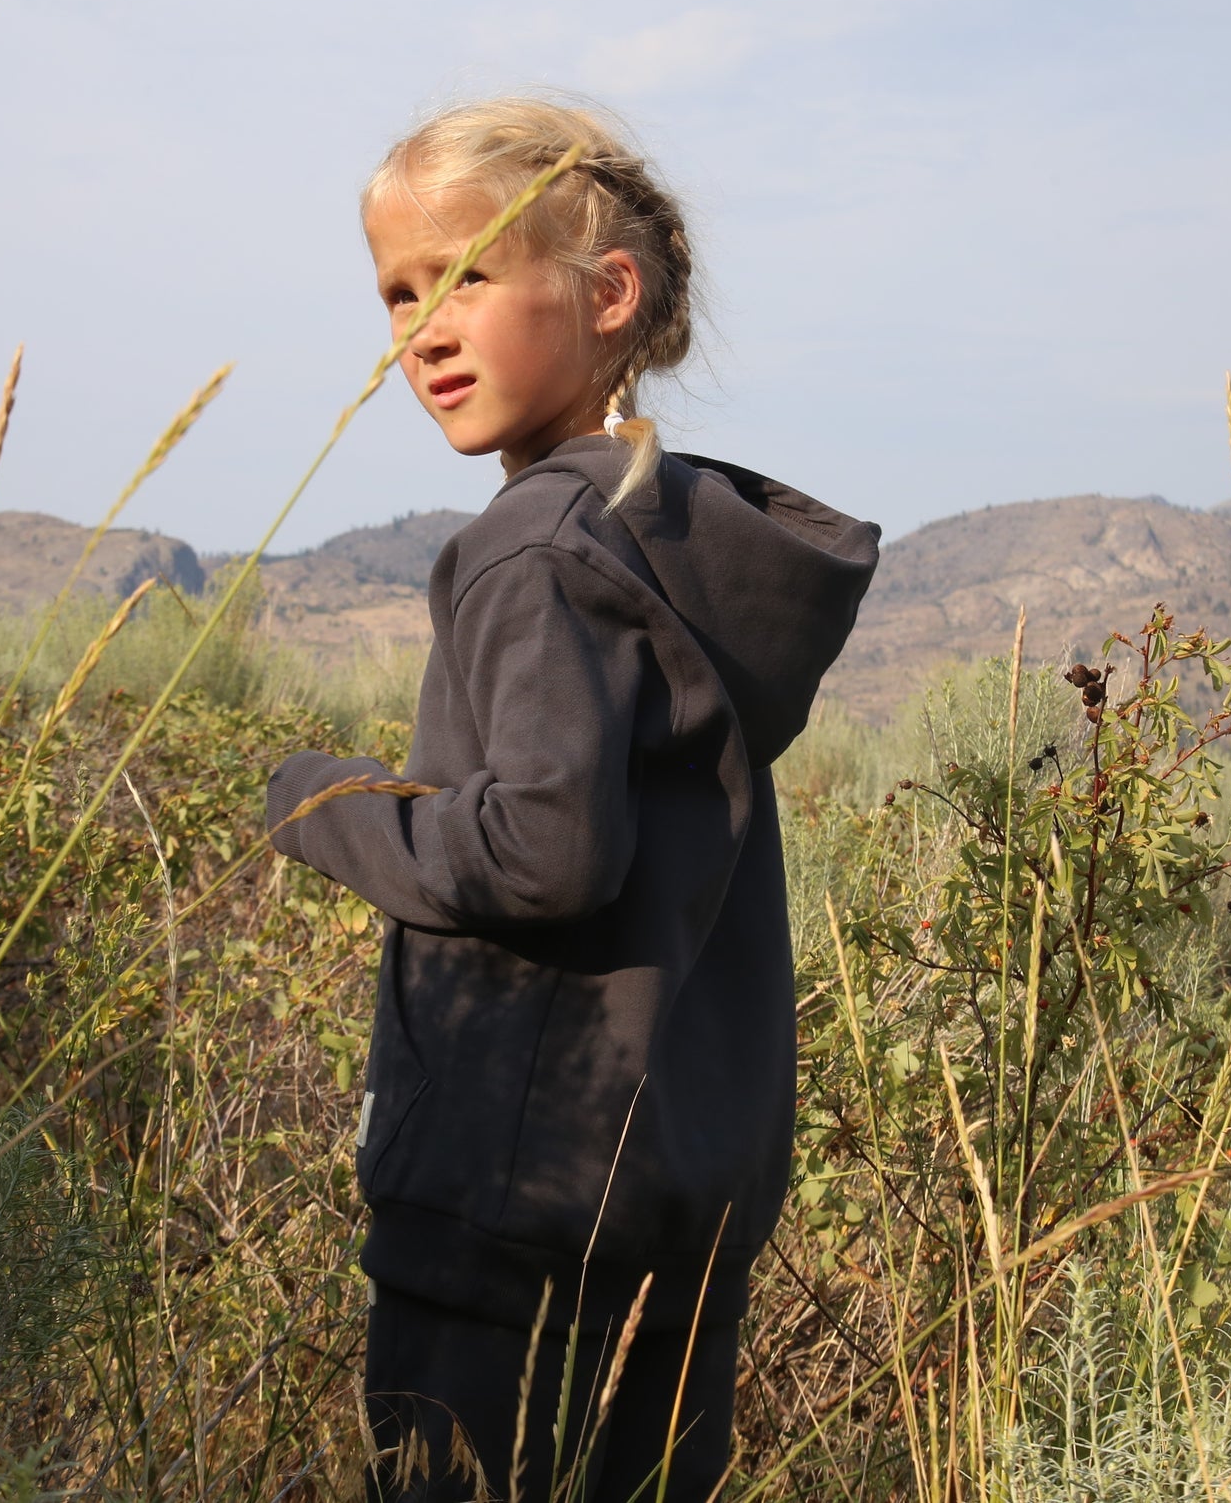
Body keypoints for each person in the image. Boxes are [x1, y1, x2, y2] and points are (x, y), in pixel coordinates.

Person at [267, 98, 880, 1501]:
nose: (424, 330)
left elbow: (543, 848)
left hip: (513, 1211)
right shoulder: (672, 538)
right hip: (683, 1196)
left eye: (467, 275)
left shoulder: (532, 546)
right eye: (398, 292)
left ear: (608, 294)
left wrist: (322, 801)